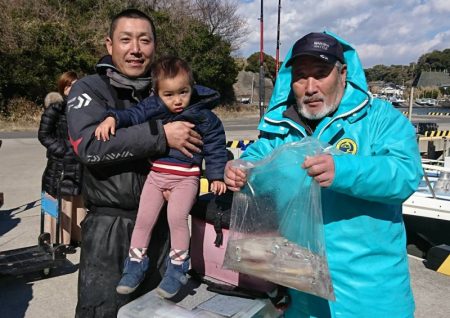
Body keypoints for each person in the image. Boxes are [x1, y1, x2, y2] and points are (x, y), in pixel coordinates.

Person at [224, 32, 423, 317]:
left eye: (320, 74)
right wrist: (236, 170)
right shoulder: (282, 129)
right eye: (301, 76)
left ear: (343, 74)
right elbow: (256, 156)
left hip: (370, 298)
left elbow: (405, 174)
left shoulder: (380, 118)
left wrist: (343, 169)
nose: (310, 87)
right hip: (300, 288)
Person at [66, 9, 203, 318]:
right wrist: (160, 135)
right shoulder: (88, 90)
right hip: (109, 232)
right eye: (125, 39)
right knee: (103, 312)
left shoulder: (169, 90)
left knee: (159, 312)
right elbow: (89, 147)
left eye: (145, 40)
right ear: (109, 44)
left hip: (164, 230)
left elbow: (199, 137)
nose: (136, 49)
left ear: (154, 45)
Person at [94, 56, 227, 298]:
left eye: (183, 92)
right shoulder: (153, 106)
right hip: (156, 176)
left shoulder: (204, 116)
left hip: (186, 179)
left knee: (177, 218)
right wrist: (112, 117)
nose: (177, 100)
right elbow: (133, 115)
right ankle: (135, 263)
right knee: (143, 219)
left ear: (192, 86)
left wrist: (217, 175)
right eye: (169, 95)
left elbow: (216, 145)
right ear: (157, 93)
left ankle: (177, 267)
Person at [38, 71, 86, 252]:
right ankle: (56, 239)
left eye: (76, 84)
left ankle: (75, 237)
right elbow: (44, 135)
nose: (72, 88)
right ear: (62, 88)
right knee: (56, 199)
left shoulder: (85, 110)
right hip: (58, 164)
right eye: (69, 85)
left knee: (76, 199)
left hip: (79, 164)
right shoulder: (55, 110)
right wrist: (64, 150)